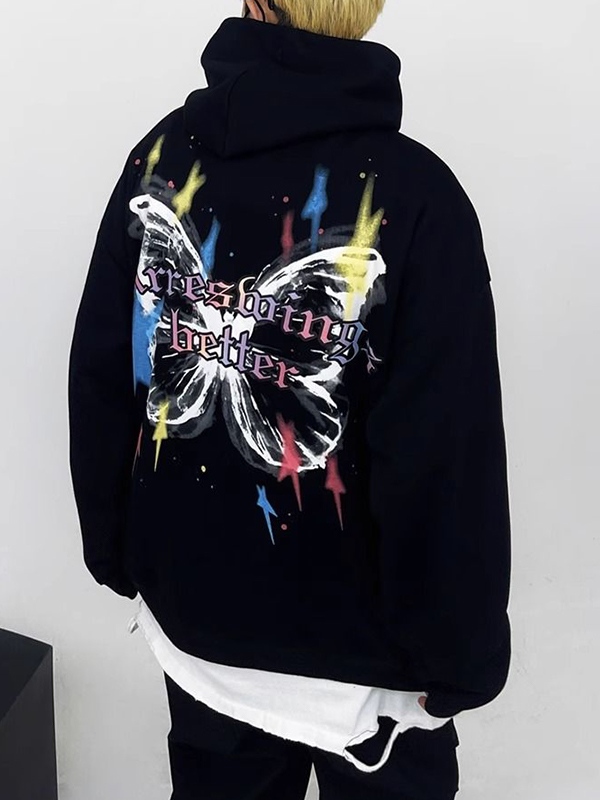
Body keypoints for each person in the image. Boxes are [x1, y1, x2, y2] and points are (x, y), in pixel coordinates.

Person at [67, 0, 512, 797]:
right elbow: (443, 456)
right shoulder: (419, 197)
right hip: (371, 676)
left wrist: (114, 548)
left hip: (201, 632)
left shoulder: (162, 156)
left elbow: (105, 369)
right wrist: (459, 657)